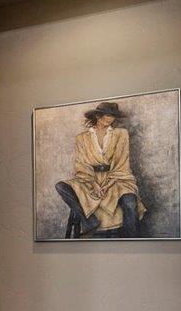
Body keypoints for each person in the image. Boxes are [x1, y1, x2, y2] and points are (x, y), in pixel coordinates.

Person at [54, 101, 145, 238]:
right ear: (97, 116)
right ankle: (89, 221)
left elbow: (122, 162)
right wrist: (93, 184)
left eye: (113, 116)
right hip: (90, 179)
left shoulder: (121, 134)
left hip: (116, 178)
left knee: (130, 200)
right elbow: (81, 164)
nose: (110, 119)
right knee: (61, 186)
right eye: (107, 115)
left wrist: (109, 183)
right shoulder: (82, 138)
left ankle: (130, 240)